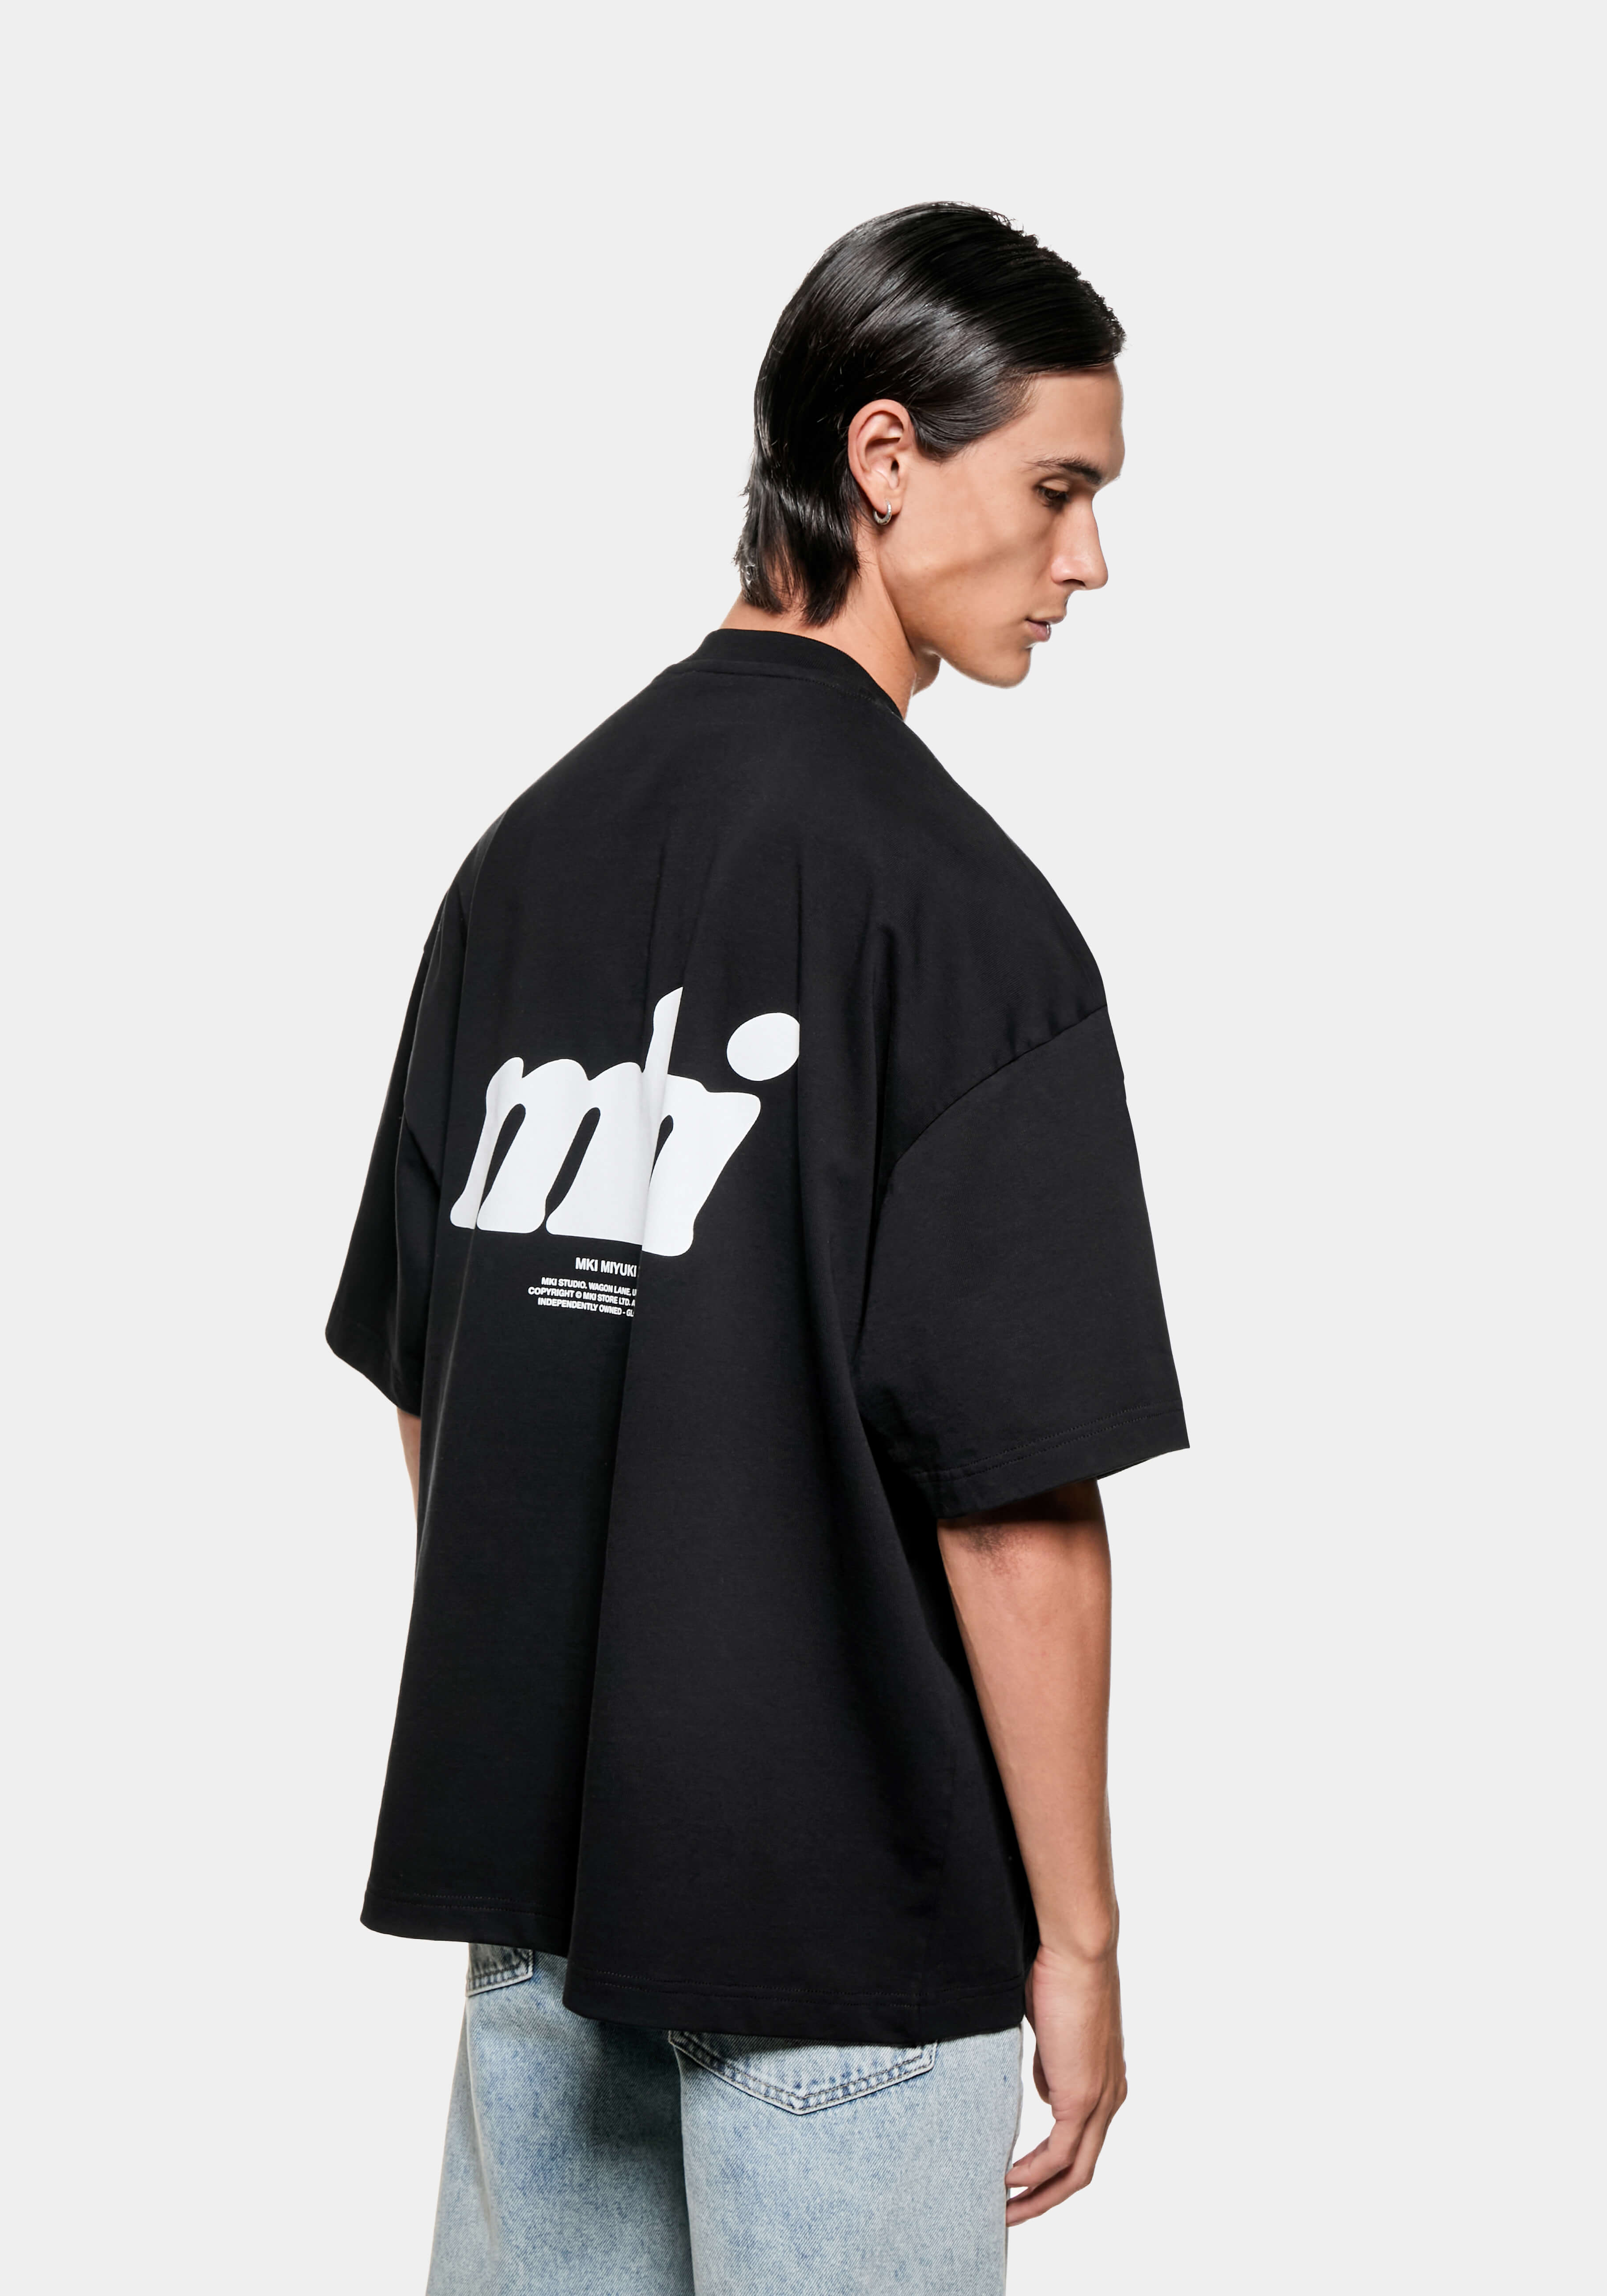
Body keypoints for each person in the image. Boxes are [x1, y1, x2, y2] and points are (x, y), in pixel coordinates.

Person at [328, 201, 1186, 2296]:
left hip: (543, 1900)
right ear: (884, 458)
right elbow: (1016, 1514)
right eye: (1056, 489)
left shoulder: (522, 860)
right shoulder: (962, 922)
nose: (1089, 561)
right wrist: (1079, 1943)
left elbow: (443, 1385)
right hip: (849, 1927)